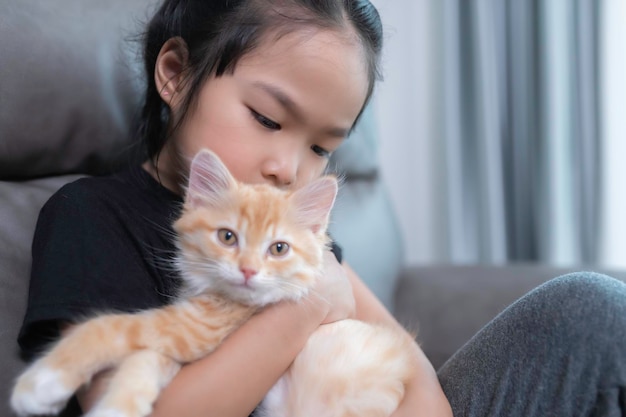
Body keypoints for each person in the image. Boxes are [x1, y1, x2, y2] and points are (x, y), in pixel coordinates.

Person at [17, 0, 626, 416]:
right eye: (267, 118)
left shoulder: (298, 239)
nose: (288, 167)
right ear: (175, 74)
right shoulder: (93, 216)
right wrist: (300, 310)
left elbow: (421, 388)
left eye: (320, 147)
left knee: (589, 309)